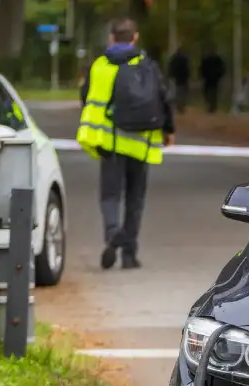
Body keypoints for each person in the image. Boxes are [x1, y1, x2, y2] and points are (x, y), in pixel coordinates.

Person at [76, 17, 175, 270]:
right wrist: (168, 130)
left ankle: (112, 233)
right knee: (135, 199)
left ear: (111, 37)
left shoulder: (100, 66)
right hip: (140, 142)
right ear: (135, 37)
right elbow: (163, 97)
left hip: (109, 142)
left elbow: (85, 96)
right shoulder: (148, 65)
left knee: (110, 195)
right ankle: (129, 255)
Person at [199, 47, 225, 113]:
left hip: (207, 78)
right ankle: (213, 106)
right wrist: (220, 75)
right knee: (214, 92)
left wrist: (202, 76)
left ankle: (210, 105)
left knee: (207, 92)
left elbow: (202, 68)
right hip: (215, 78)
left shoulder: (206, 59)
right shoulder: (218, 59)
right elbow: (222, 68)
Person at [168, 46, 190, 113]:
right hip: (183, 77)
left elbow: (171, 67)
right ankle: (181, 105)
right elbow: (187, 68)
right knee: (182, 92)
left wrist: (171, 74)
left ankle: (179, 105)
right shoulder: (184, 59)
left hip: (177, 77)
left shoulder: (174, 59)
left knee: (178, 91)